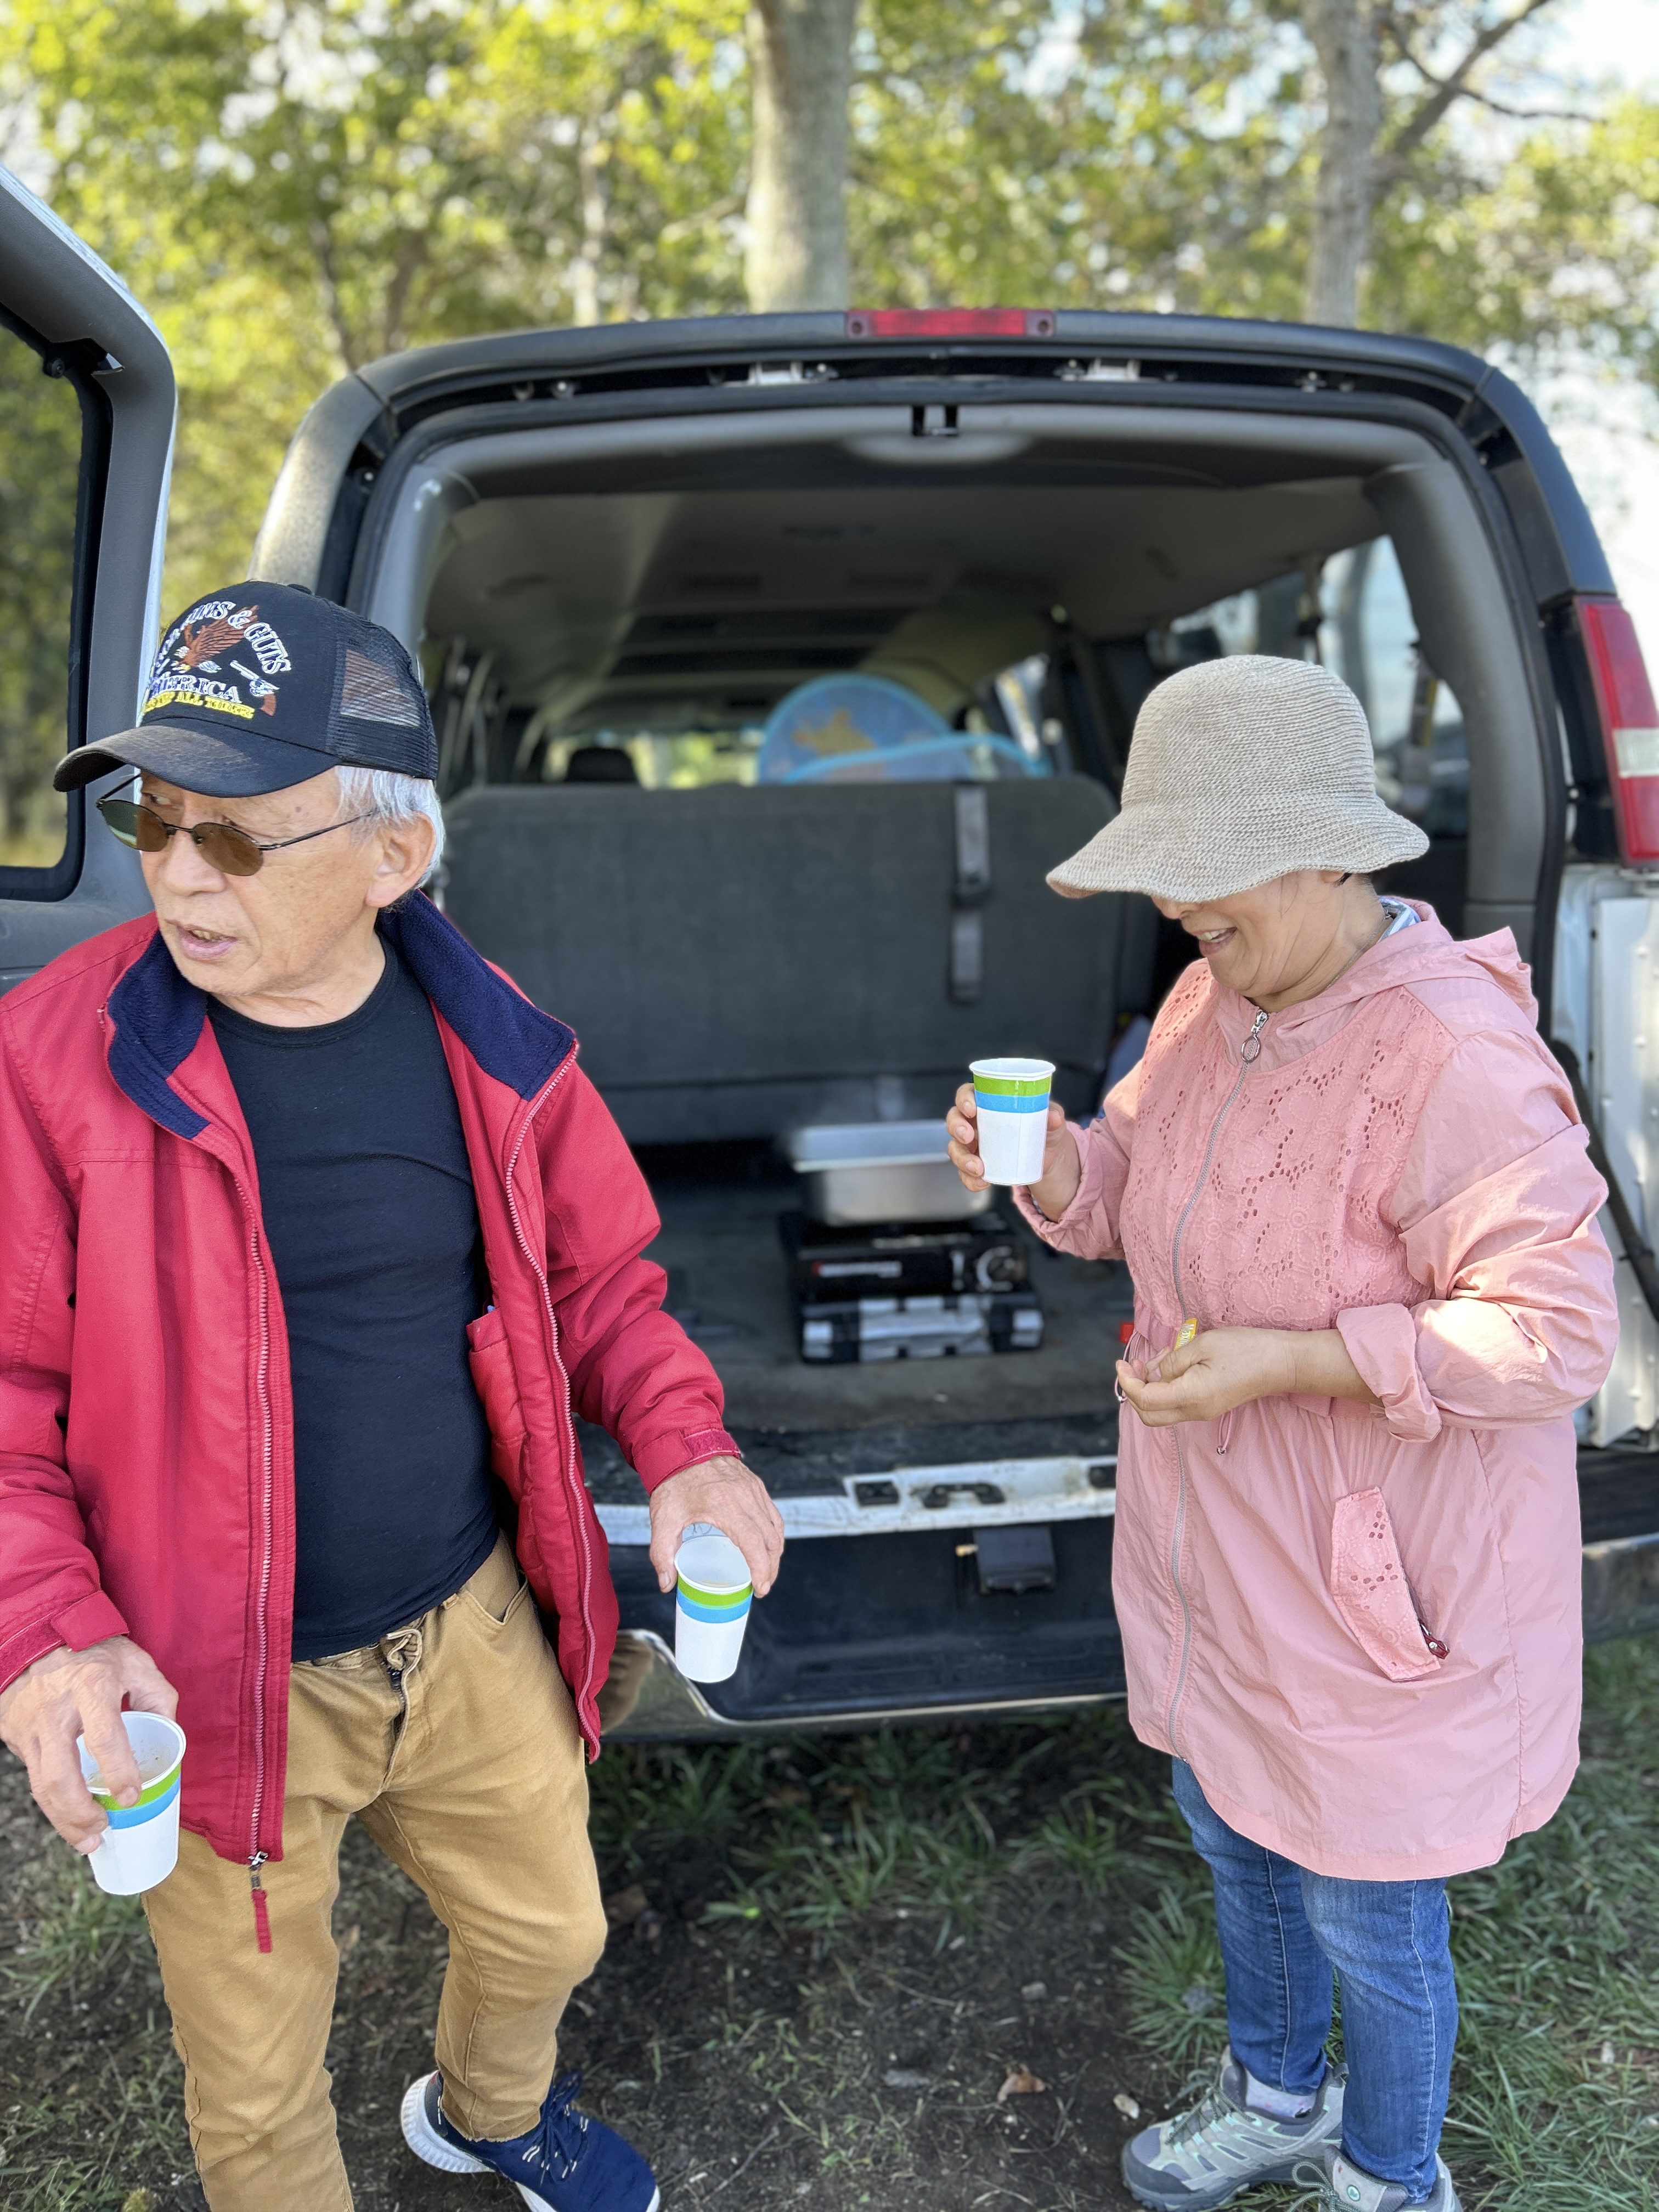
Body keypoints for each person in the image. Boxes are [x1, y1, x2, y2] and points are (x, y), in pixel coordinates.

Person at [0, 584, 786, 2212]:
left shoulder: (494, 1043)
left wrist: (689, 1450)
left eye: (236, 836)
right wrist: (54, 1636)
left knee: (552, 1931)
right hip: (212, 1672)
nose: (177, 872)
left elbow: (600, 1286)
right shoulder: (46, 1062)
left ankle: (491, 2113)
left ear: (394, 856)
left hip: (467, 1618)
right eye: (154, 817)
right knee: (258, 2079)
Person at [947, 654, 1618, 2212]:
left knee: (1368, 1915)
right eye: (1167, 870)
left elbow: (1557, 1335)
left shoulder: (1453, 1054)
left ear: (1329, 853)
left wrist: (1296, 1363)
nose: (1179, 904)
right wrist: (1048, 1161)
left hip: (1375, 1587)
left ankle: (1392, 2177)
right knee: (1235, 1831)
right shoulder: (1213, 994)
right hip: (1218, 1553)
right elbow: (1128, 1191)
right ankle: (1277, 2095)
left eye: (1211, 868)